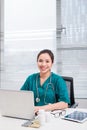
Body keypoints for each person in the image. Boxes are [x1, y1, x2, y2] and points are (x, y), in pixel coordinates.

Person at [20, 49, 70, 113]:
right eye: (40, 61)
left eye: (47, 61)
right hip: (32, 115)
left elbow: (64, 103)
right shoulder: (31, 79)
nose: (43, 64)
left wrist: (41, 108)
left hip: (50, 115)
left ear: (52, 63)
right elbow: (21, 97)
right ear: (37, 62)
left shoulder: (58, 80)